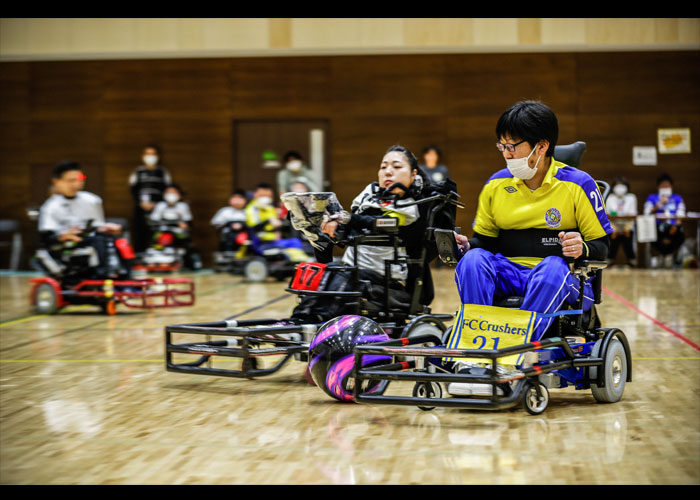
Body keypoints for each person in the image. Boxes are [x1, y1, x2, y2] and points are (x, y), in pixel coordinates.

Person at [451, 101, 612, 347]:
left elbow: (603, 247)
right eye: (502, 146)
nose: (506, 154)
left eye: (512, 146)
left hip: (564, 277)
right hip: (510, 272)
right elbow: (485, 242)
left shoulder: (579, 184)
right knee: (472, 261)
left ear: (542, 146)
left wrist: (583, 248)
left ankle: (517, 347)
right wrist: (466, 245)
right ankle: (476, 345)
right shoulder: (495, 185)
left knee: (552, 268)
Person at [289, 145, 457, 322]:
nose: (388, 172)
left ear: (413, 174)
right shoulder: (370, 195)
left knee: (341, 280)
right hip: (352, 269)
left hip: (384, 280)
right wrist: (320, 222)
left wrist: (347, 219)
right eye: (383, 167)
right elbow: (354, 226)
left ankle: (307, 325)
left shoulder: (410, 205)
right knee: (315, 273)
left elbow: (384, 224)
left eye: (397, 167)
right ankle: (297, 323)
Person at [36, 161, 131, 284]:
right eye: (70, 180)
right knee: (97, 243)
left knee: (121, 243)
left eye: (79, 179)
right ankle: (102, 278)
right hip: (66, 247)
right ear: (57, 181)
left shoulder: (92, 200)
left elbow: (97, 226)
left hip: (88, 239)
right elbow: (45, 238)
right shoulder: (50, 206)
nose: (76, 183)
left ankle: (125, 280)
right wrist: (64, 236)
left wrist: (107, 228)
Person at [129, 145, 173, 252]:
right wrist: (141, 203)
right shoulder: (138, 171)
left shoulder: (162, 172)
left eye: (153, 154)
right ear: (143, 156)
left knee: (157, 231)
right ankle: (139, 254)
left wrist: (156, 203)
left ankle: (158, 253)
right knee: (140, 230)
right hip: (141, 207)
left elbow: (167, 189)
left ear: (157, 156)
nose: (150, 157)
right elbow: (133, 189)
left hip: (158, 207)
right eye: (147, 154)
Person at [644, 173, 686, 268]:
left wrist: (676, 225)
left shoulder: (677, 198)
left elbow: (681, 214)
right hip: (657, 227)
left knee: (679, 234)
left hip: (673, 227)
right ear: (658, 187)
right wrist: (659, 204)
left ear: (671, 186)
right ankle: (662, 256)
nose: (665, 187)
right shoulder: (652, 198)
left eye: (667, 185)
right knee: (654, 233)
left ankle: (669, 256)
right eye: (663, 185)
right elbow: (646, 213)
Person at [606, 177, 638, 266]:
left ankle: (632, 261)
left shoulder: (631, 198)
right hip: (613, 225)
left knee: (628, 239)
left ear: (626, 187)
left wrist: (626, 229)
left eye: (622, 185)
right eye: (617, 185)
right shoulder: (610, 198)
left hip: (627, 225)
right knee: (612, 239)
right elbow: (608, 215)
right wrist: (614, 229)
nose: (620, 188)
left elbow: (632, 215)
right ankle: (609, 260)